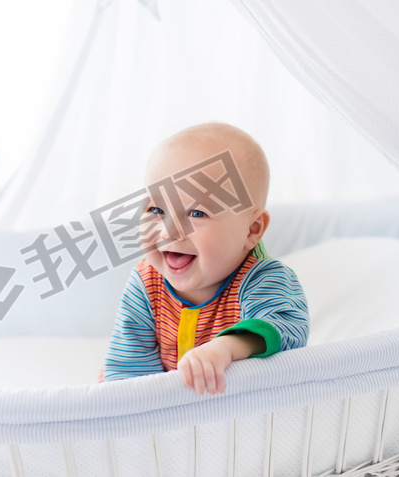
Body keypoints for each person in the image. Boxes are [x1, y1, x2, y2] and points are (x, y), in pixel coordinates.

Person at [102, 122, 309, 394]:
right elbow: (128, 375)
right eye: (156, 209)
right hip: (166, 414)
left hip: (238, 411)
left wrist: (226, 349)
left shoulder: (263, 279)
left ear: (252, 229)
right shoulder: (145, 284)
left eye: (196, 213)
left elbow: (287, 329)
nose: (169, 231)